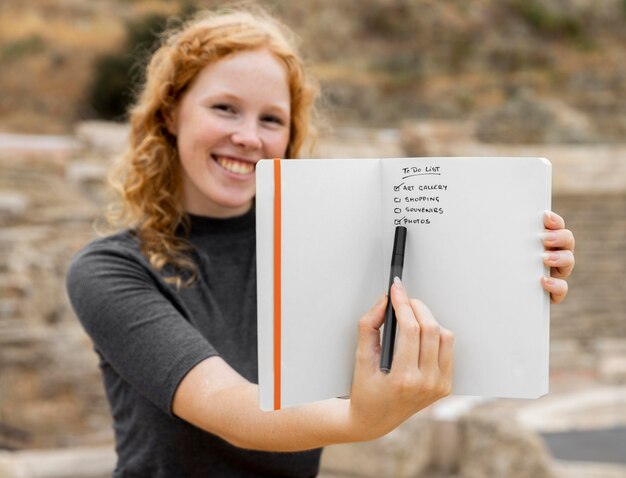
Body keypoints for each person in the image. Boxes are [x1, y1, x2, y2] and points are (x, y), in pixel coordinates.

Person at [66, 7, 576, 478]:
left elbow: (435, 307)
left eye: (271, 119)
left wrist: (516, 277)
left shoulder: (320, 246)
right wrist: (361, 419)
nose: (249, 136)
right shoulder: (110, 270)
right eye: (225, 108)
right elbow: (232, 409)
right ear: (172, 114)